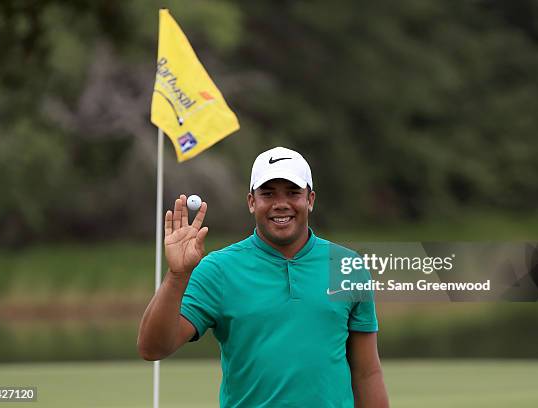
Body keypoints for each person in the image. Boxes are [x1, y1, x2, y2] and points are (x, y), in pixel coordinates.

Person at [138, 147, 389, 407]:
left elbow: (366, 373)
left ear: (310, 200)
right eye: (268, 194)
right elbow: (153, 348)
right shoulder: (218, 269)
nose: (280, 203)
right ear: (251, 202)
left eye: (293, 193)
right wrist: (177, 276)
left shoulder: (347, 266)